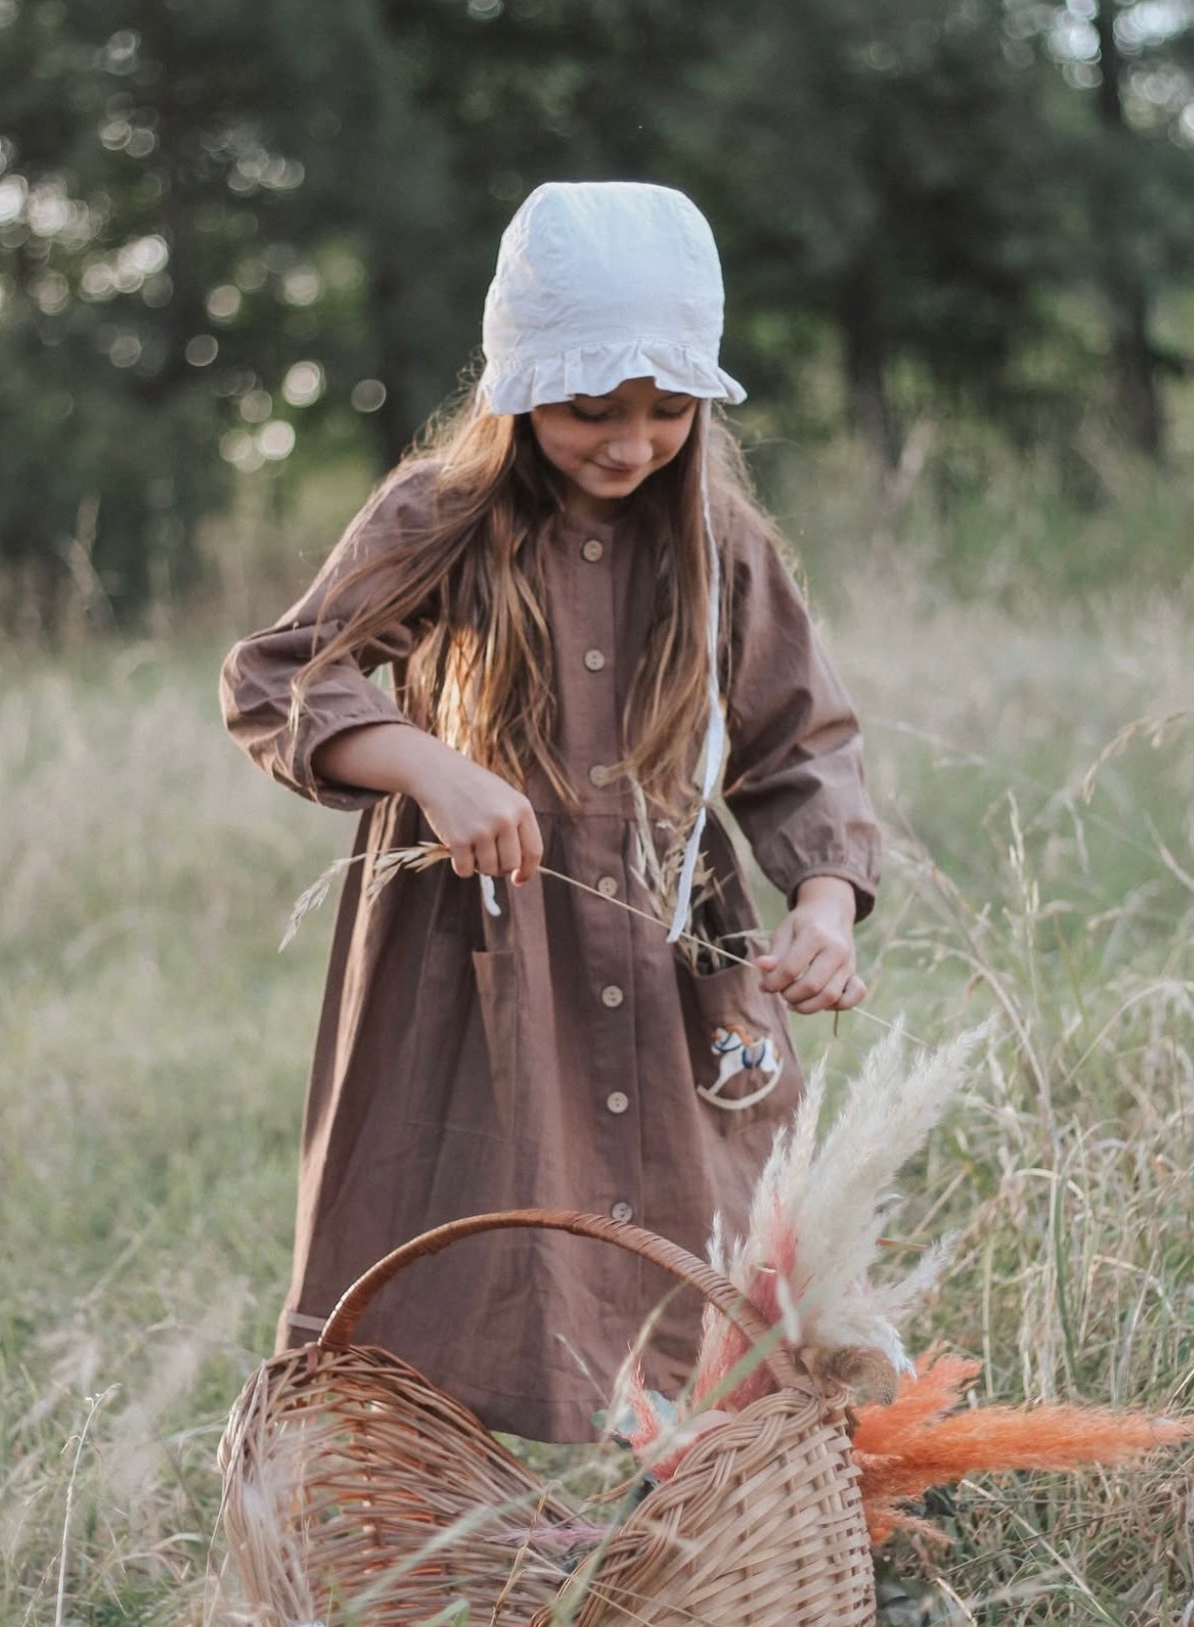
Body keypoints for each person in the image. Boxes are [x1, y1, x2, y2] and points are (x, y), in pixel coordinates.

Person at [220, 180, 881, 1444]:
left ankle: (717, 1509)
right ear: (521, 385)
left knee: (721, 1239)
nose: (630, 442)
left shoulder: (719, 541)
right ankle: (423, 1507)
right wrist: (424, 762)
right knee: (450, 1229)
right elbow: (282, 672)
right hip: (471, 952)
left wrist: (823, 902)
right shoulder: (437, 514)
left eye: (668, 408)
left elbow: (801, 741)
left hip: (675, 949)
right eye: (592, 409)